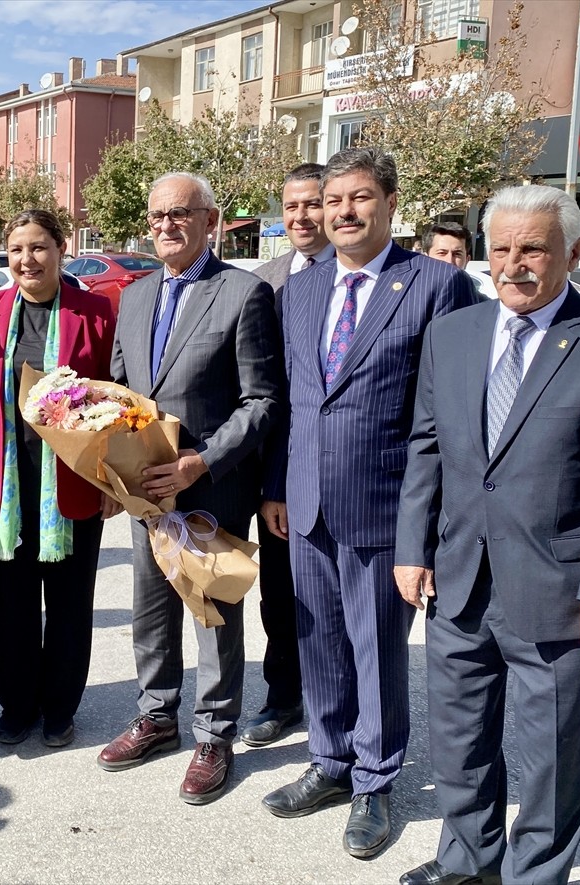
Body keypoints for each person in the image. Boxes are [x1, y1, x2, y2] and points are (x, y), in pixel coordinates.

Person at [395, 185, 580, 885]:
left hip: (562, 591)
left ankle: (536, 874)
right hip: (460, 580)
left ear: (575, 252)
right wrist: (414, 547)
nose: (513, 264)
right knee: (460, 738)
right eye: (500, 248)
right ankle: (469, 861)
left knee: (553, 755)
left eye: (533, 247)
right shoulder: (454, 335)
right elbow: (427, 447)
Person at [260, 147, 479, 857]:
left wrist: (433, 527)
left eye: (359, 198)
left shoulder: (436, 285)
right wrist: (274, 486)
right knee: (316, 640)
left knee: (376, 650)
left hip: (386, 506)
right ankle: (329, 760)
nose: (343, 212)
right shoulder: (302, 287)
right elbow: (293, 398)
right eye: (333, 201)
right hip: (305, 499)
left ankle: (374, 780)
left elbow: (449, 413)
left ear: (389, 202)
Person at [101, 172, 284, 806]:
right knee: (150, 607)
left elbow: (261, 401)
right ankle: (157, 716)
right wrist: (111, 470)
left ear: (212, 220)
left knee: (212, 611)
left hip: (210, 485)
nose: (166, 225)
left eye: (181, 213)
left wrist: (198, 464)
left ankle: (213, 733)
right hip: (145, 491)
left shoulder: (243, 293)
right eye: (156, 216)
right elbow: (121, 396)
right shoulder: (133, 297)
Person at [0, 209, 116, 749]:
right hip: (7, 487)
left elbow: (116, 401)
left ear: (61, 249)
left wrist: (113, 481)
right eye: (16, 250)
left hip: (74, 483)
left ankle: (59, 707)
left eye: (39, 248)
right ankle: (17, 705)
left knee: (72, 604)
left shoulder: (94, 312)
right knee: (15, 601)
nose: (27, 260)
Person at [245, 162, 333, 749]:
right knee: (281, 594)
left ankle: (336, 704)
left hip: (340, 464)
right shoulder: (265, 280)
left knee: (336, 599)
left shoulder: (359, 276)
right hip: (278, 465)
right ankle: (283, 697)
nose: (300, 217)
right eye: (291, 206)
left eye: (312, 204)